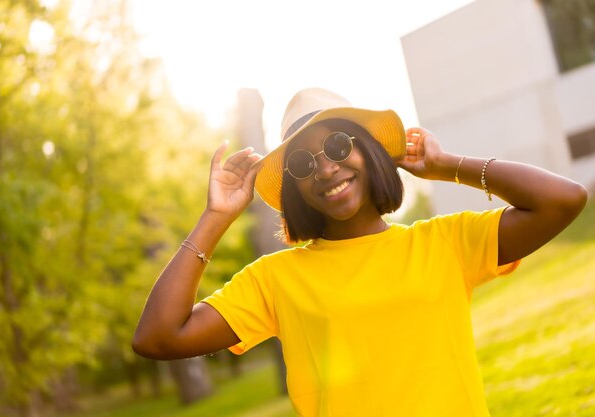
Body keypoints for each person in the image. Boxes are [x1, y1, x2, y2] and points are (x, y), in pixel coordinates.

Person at [132, 88, 587, 416]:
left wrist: (447, 166)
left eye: (337, 145)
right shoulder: (274, 279)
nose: (326, 168)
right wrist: (216, 216)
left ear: (368, 152)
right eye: (302, 163)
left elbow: (563, 200)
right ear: (294, 187)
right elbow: (157, 338)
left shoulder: (442, 243)